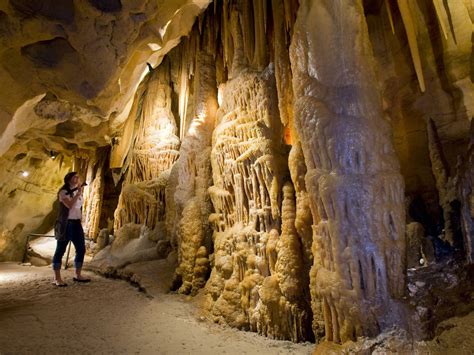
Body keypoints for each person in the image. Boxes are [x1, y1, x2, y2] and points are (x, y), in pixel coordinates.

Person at [52, 171, 90, 286]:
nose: (77, 179)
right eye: (75, 177)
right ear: (68, 179)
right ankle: (57, 278)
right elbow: (69, 205)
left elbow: (78, 207)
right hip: (66, 224)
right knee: (60, 250)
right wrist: (78, 194)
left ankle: (77, 274)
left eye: (78, 177)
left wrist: (78, 194)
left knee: (81, 249)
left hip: (76, 224)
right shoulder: (63, 192)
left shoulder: (77, 193)